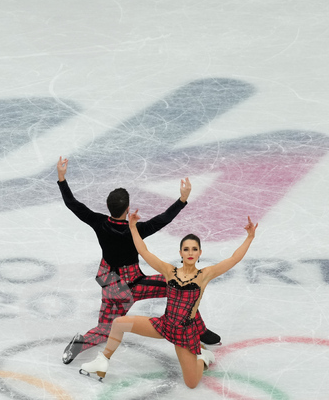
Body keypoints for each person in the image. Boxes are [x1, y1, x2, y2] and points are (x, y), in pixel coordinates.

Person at [56, 156, 220, 364]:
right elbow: (162, 220)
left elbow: (73, 204)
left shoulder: (98, 221)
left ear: (108, 207)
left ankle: (80, 343)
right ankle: (200, 330)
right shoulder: (135, 231)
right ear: (128, 208)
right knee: (181, 286)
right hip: (132, 285)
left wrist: (62, 178)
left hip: (109, 283)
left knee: (105, 328)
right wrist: (182, 200)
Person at [79, 212, 258, 389]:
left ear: (200, 253)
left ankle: (203, 357)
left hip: (184, 335)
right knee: (118, 323)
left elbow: (234, 259)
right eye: (186, 249)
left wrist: (249, 237)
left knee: (192, 384)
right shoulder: (169, 271)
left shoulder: (204, 275)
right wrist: (133, 227)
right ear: (180, 252)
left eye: (194, 249)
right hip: (164, 325)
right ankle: (102, 361)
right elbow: (143, 251)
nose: (190, 253)